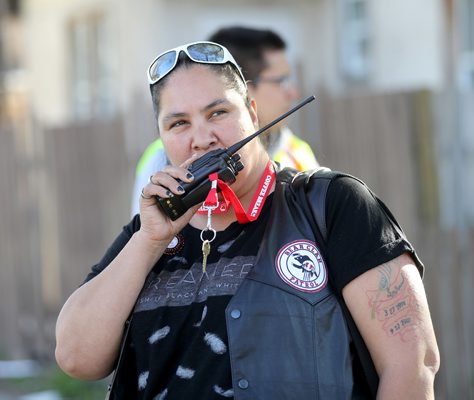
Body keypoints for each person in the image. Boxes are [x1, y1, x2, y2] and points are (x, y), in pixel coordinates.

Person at [55, 41, 440, 399]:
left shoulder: (331, 205)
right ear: (162, 138)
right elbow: (76, 357)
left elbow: (413, 363)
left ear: (253, 114)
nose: (202, 138)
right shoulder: (149, 234)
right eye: (178, 124)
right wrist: (149, 241)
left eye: (218, 112)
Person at [130, 26, 318, 216]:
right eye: (280, 81)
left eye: (217, 113)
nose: (292, 92)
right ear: (246, 87)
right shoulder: (159, 162)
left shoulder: (299, 153)